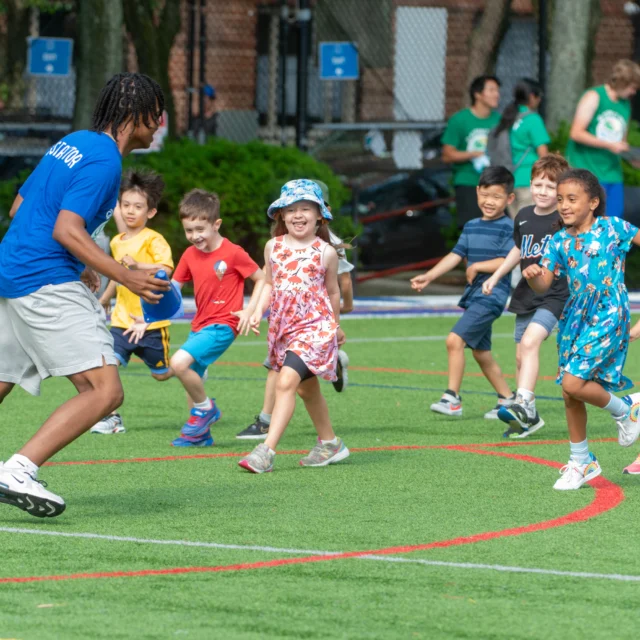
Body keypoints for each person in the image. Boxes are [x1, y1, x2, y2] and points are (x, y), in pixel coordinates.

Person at [0, 73, 170, 518]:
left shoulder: (74, 141)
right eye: (158, 113)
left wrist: (83, 262)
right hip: (42, 277)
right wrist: (123, 276)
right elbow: (66, 229)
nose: (161, 123)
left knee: (1, 379)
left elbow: (21, 207)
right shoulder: (105, 162)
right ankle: (18, 470)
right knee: (104, 391)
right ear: (138, 116)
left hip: (11, 269)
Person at [523, 168, 640, 490]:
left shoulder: (613, 228)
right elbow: (543, 285)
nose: (563, 205)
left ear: (593, 202)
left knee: (574, 382)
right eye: (560, 199)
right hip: (575, 315)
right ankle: (581, 462)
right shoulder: (558, 240)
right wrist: (533, 274)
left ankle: (627, 409)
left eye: (572, 199)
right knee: (569, 392)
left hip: (610, 310)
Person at [238, 179, 349, 473]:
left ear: (319, 216)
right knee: (306, 390)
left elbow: (334, 292)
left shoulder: (325, 252)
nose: (298, 215)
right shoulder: (273, 247)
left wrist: (334, 327)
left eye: (306, 209)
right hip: (284, 330)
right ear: (281, 216)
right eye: (292, 209)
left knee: (287, 381)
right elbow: (270, 286)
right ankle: (330, 443)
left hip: (315, 328)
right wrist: (254, 311)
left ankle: (266, 451)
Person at [410, 166, 516, 419]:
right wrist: (429, 275)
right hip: (474, 296)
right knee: (481, 353)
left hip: (491, 297)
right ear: (477, 191)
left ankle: (452, 398)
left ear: (510, 199)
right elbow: (456, 255)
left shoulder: (508, 227)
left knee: (454, 340)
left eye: (497, 196)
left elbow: (508, 260)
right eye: (486, 194)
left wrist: (478, 266)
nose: (489, 201)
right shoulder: (471, 225)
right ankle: (508, 399)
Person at [482, 154, 570, 438]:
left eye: (550, 185)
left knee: (531, 342)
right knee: (521, 355)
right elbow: (518, 251)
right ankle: (529, 417)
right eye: (538, 184)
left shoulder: (565, 219)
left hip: (555, 294)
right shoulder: (523, 216)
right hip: (526, 294)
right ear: (530, 184)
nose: (543, 191)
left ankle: (522, 402)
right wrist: (496, 277)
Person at [169, 189, 265, 447]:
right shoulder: (189, 255)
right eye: (189, 231)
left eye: (200, 229)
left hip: (224, 324)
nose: (194, 236)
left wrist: (251, 310)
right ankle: (200, 435)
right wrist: (148, 313)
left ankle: (206, 408)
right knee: (192, 376)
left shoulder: (233, 252)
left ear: (216, 224)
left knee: (178, 363)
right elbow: (173, 288)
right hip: (199, 325)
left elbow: (262, 278)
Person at [91, 169, 174, 435]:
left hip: (150, 323)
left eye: (137, 207)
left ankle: (187, 368)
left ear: (150, 212)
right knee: (109, 365)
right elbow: (119, 275)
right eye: (125, 205)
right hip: (122, 321)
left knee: (160, 374)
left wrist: (139, 265)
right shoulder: (116, 241)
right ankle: (112, 418)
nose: (130, 211)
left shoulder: (154, 239)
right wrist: (105, 297)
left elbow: (166, 270)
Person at [566, 59, 640, 218]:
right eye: (633, 87)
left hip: (612, 173)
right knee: (589, 221)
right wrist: (609, 145)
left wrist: (631, 157)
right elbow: (576, 133)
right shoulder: (594, 96)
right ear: (622, 82)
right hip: (588, 171)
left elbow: (620, 142)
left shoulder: (625, 104)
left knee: (613, 221)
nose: (634, 92)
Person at [441, 75, 501, 226]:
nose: (497, 94)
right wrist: (473, 154)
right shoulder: (459, 120)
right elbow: (447, 155)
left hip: (496, 184)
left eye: (497, 90)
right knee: (473, 231)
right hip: (468, 182)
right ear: (478, 94)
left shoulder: (499, 120)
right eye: (492, 90)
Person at [489, 78, 550, 216]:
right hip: (529, 180)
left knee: (517, 227)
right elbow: (544, 155)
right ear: (531, 97)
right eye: (539, 96)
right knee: (529, 227)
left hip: (509, 181)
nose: (539, 100)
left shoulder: (509, 118)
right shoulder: (532, 119)